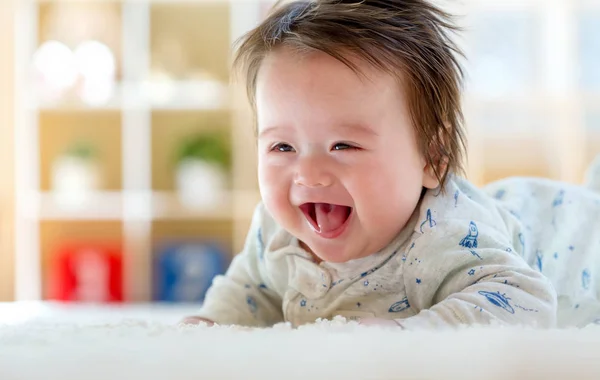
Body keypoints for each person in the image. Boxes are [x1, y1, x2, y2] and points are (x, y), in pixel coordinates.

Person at [182, 0, 600, 329]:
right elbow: (251, 292)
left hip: (573, 236)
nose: (308, 173)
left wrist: (415, 335)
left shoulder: (442, 235)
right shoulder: (275, 233)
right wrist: (211, 325)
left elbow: (524, 300)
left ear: (432, 158)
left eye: (343, 145)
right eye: (282, 148)